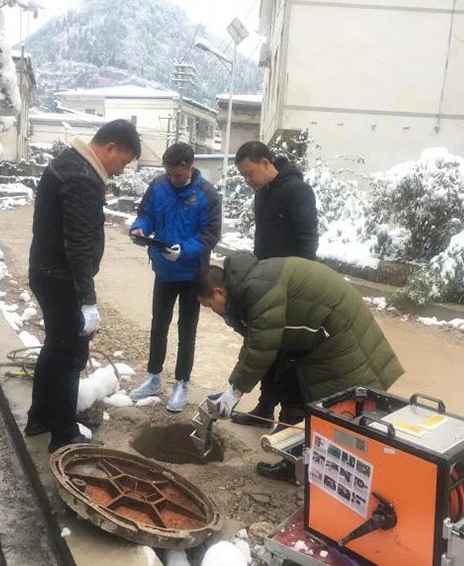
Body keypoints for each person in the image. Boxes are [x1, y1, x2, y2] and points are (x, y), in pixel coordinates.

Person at [196, 252, 404, 483]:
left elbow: (261, 347)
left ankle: (345, 478)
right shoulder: (245, 283)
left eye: (208, 304)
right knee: (292, 382)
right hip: (319, 328)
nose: (211, 310)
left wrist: (234, 392)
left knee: (337, 404)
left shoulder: (254, 290)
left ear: (218, 292)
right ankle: (295, 460)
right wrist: (233, 387)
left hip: (335, 330)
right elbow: (257, 341)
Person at [26, 119, 141, 454]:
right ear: (110, 148)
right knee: (70, 355)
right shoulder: (80, 177)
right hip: (62, 279)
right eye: (122, 161)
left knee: (55, 347)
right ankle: (63, 434)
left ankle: (41, 417)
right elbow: (76, 243)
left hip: (48, 273)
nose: (120, 170)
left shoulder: (70, 163)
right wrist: (87, 300)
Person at [229, 141, 319, 430]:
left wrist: (301, 281)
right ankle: (265, 407)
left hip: (292, 284)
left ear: (266, 163)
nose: (248, 180)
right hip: (267, 281)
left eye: (250, 173)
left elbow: (308, 239)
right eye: (243, 175)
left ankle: (288, 420)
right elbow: (262, 242)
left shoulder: (298, 191)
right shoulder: (262, 195)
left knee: (289, 354)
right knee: (264, 344)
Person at [128, 143, 222, 412]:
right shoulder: (158, 186)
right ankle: (154, 377)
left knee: (187, 330)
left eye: (178, 175)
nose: (173, 179)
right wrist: (139, 230)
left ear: (190, 167)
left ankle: (182, 382)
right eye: (169, 174)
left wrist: (185, 250)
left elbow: (210, 234)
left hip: (193, 274)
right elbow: (145, 216)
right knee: (159, 325)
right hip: (164, 271)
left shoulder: (207, 194)